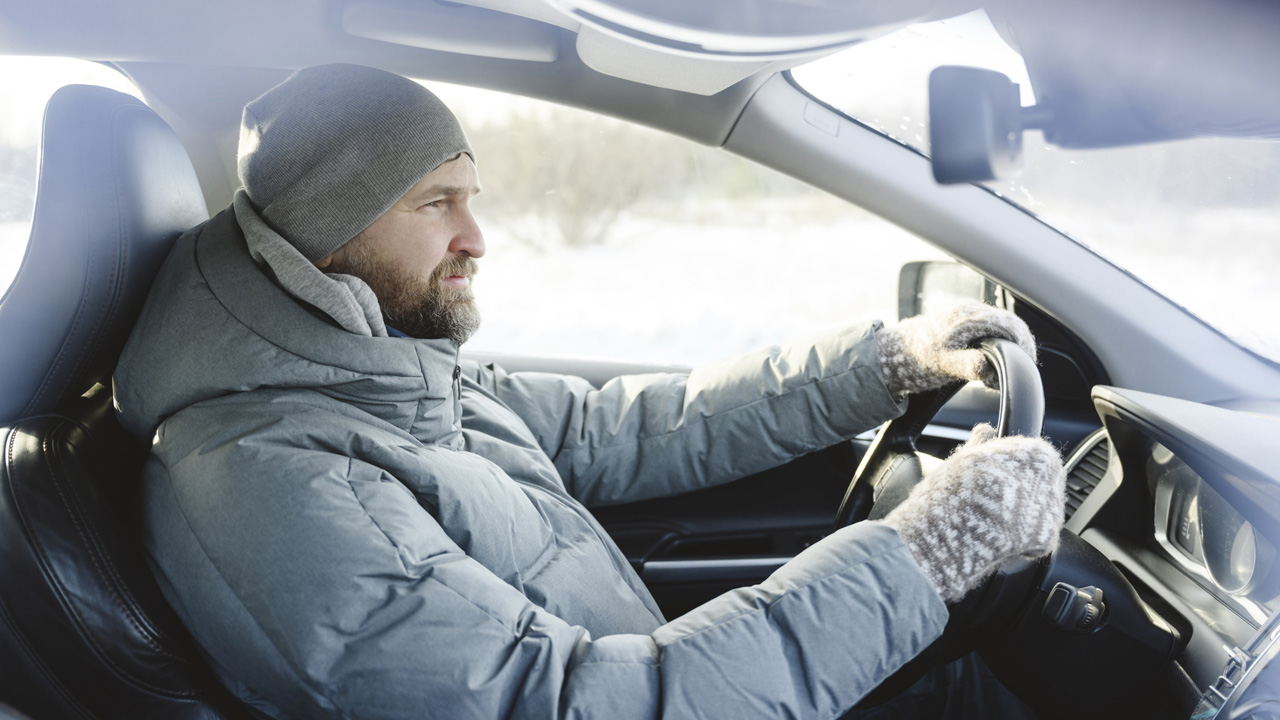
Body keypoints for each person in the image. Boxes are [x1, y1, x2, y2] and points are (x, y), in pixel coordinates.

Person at [112, 64, 1066, 719]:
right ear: (328, 237)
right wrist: (918, 559)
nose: (477, 239)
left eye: (472, 198)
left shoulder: (382, 370)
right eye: (435, 203)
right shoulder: (269, 481)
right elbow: (565, 704)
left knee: (959, 681)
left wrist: (885, 362)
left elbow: (632, 428)